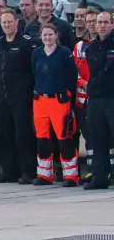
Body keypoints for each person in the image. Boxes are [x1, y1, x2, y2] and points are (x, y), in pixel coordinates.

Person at [0, 9, 38, 184]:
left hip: (21, 98)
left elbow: (32, 71)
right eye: (4, 22)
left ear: (16, 23)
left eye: (10, 22)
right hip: (2, 97)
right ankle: (7, 171)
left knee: (23, 135)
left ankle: (27, 171)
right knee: (4, 135)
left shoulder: (26, 44)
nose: (7, 25)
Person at [31, 23, 80, 186]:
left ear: (56, 35)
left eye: (50, 34)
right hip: (40, 100)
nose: (47, 38)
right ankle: (44, 174)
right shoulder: (36, 53)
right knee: (42, 137)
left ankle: (71, 175)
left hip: (59, 100)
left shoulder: (65, 53)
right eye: (44, 35)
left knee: (64, 137)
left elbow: (72, 75)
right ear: (41, 36)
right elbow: (34, 73)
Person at [81, 11, 114, 190]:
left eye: (105, 22)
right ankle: (99, 178)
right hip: (95, 100)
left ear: (111, 25)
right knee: (97, 139)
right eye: (99, 22)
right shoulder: (91, 47)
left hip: (112, 99)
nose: (101, 25)